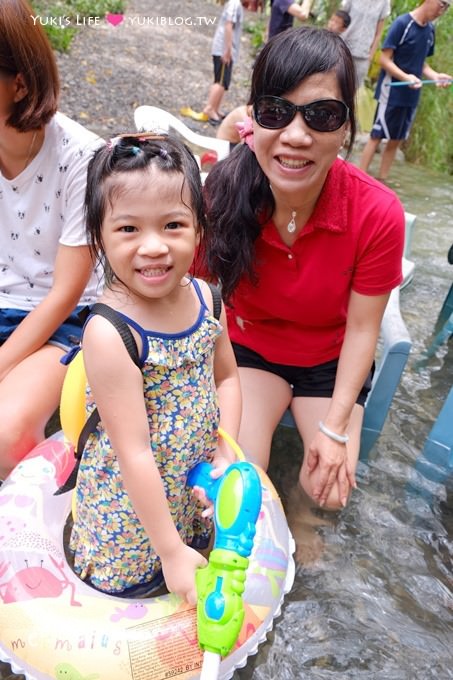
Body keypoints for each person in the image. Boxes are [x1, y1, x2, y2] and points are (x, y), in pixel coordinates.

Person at [200, 26, 406, 514]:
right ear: (253, 119)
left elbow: (362, 329)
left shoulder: (376, 212)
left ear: (345, 129)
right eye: (276, 111)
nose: (296, 135)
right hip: (251, 351)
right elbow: (198, 303)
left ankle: (302, 528)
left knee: (327, 497)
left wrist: (335, 430)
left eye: (321, 115)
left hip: (329, 362)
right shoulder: (221, 197)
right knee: (235, 482)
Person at [69, 133, 241, 602]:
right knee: (139, 588)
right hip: (129, 513)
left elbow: (226, 377)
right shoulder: (110, 333)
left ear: (199, 229)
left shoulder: (208, 299)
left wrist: (225, 449)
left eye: (172, 225)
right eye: (128, 230)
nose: (153, 247)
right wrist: (168, 551)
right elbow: (134, 453)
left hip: (190, 487)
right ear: (99, 237)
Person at [0, 0, 102, 480]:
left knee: (6, 432)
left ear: (19, 83)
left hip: (66, 317)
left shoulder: (81, 157)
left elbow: (66, 293)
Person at [360, 0, 452, 181]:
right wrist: (405, 77)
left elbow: (421, 62)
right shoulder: (403, 23)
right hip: (391, 93)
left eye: (447, 7)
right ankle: (359, 177)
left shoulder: (430, 30)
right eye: (442, 4)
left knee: (396, 141)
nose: (443, 10)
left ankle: (383, 181)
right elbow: (384, 60)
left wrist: (435, 76)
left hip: (411, 97)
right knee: (376, 136)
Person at [181, 0, 246, 126]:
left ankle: (215, 108)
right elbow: (228, 25)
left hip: (226, 49)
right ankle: (209, 108)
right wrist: (227, 50)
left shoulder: (236, 4)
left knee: (224, 80)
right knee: (221, 80)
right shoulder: (234, 3)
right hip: (224, 49)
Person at [339, 1, 391, 88]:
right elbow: (340, 18)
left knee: (351, 93)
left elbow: (378, 34)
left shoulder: (384, 2)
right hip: (343, 49)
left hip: (363, 57)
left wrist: (369, 58)